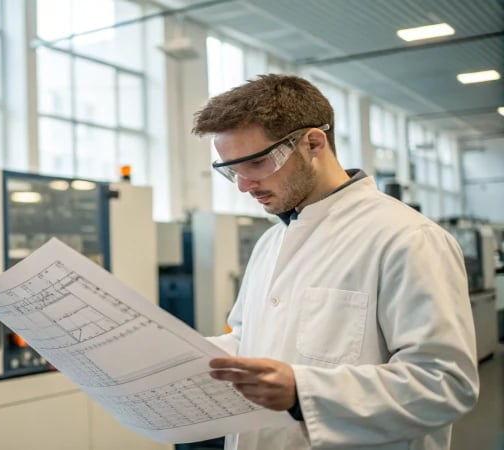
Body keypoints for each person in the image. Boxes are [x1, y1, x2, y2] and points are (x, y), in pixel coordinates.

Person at [191, 74, 479, 450]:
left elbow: (445, 383)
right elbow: (250, 340)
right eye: (231, 170)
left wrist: (303, 391)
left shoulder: (406, 238)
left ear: (313, 142)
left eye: (258, 162)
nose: (244, 185)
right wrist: (187, 358)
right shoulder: (271, 241)